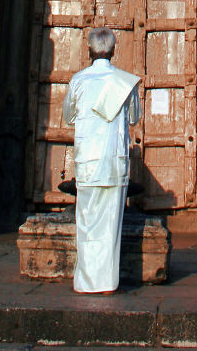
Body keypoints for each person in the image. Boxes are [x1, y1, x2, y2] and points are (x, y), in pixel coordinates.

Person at [62, 28, 141, 294]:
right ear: (113, 51)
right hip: (113, 161)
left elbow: (68, 115)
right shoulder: (123, 82)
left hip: (88, 161)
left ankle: (85, 282)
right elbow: (134, 117)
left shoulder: (78, 80)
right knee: (110, 225)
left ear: (89, 51)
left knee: (86, 222)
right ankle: (108, 283)